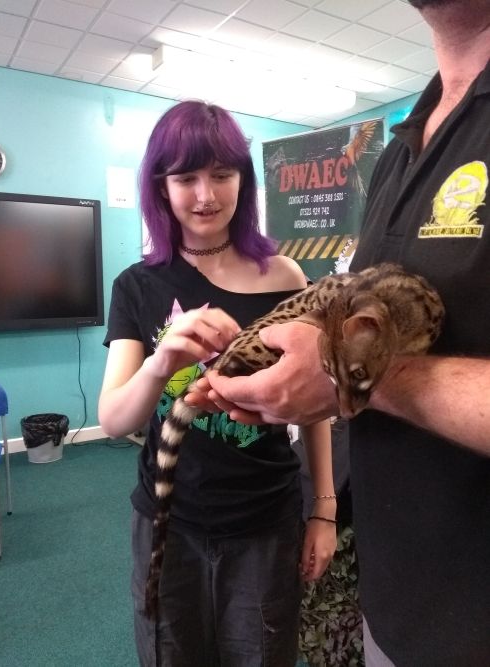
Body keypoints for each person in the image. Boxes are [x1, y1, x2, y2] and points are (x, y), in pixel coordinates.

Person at [188, 2, 490, 665]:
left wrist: (355, 377)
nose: (204, 195)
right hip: (397, 604)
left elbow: (360, 364)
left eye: (221, 176)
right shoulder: (402, 145)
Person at [98, 100, 337, 667]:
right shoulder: (137, 285)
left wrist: (324, 509)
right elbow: (113, 419)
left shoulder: (283, 276)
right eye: (186, 178)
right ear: (161, 187)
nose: (205, 195)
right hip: (168, 520)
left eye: (222, 174)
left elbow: (314, 402)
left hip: (264, 520)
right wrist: (161, 360)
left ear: (243, 181)